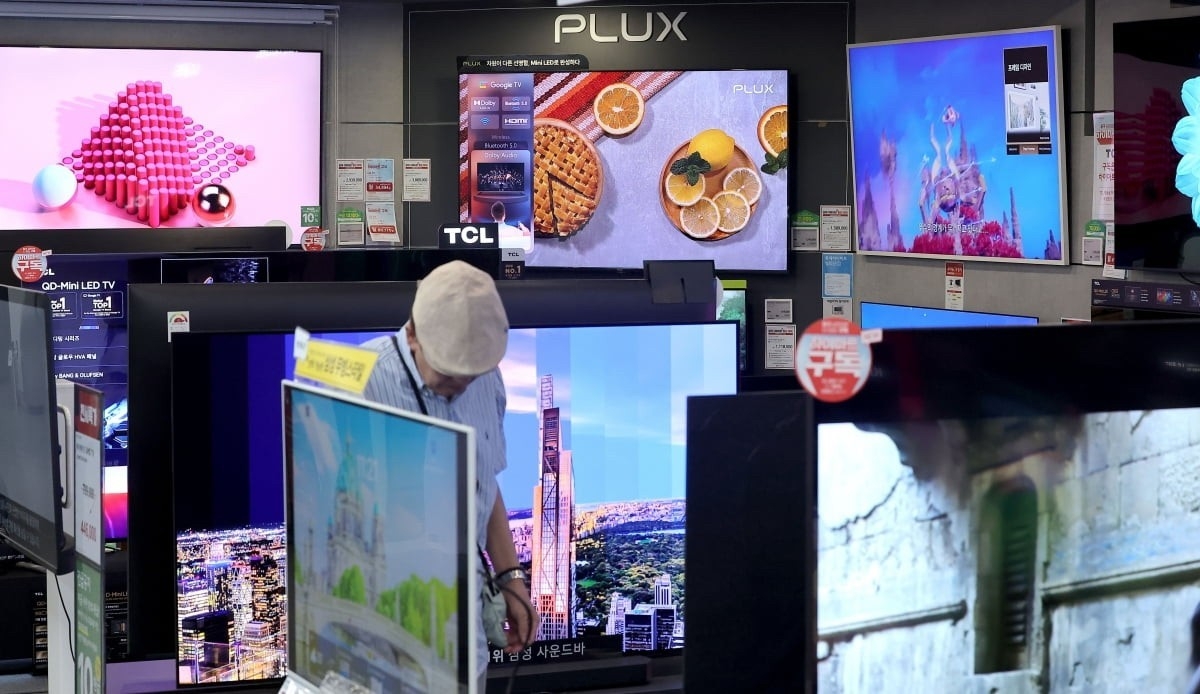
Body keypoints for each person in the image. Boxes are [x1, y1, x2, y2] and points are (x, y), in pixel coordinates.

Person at [359, 260, 539, 689]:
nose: (460, 387)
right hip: (382, 640)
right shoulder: (358, 381)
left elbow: (485, 481)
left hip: (463, 637)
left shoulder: (487, 377)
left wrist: (511, 578)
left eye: (470, 377)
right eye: (446, 375)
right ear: (413, 334)